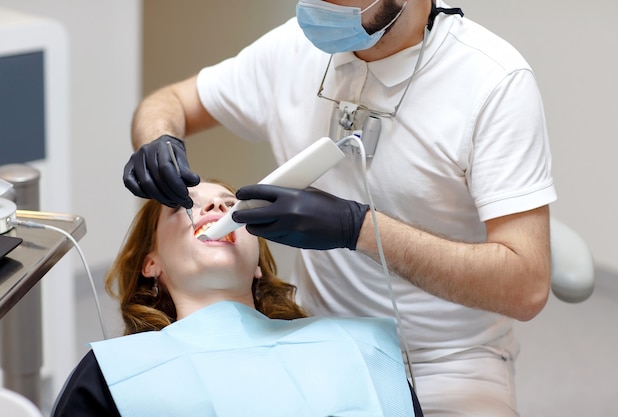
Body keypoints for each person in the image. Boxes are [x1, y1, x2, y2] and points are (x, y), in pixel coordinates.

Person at [123, 1, 557, 415]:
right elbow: (168, 104)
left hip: (448, 361)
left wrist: (359, 229)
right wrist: (158, 138)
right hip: (315, 338)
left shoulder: (493, 80)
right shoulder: (292, 48)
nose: (318, 5)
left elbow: (527, 286)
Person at [52, 180, 422, 417]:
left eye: (231, 205)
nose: (217, 209)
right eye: (185, 205)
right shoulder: (113, 374)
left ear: (258, 265)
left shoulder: (361, 350)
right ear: (152, 263)